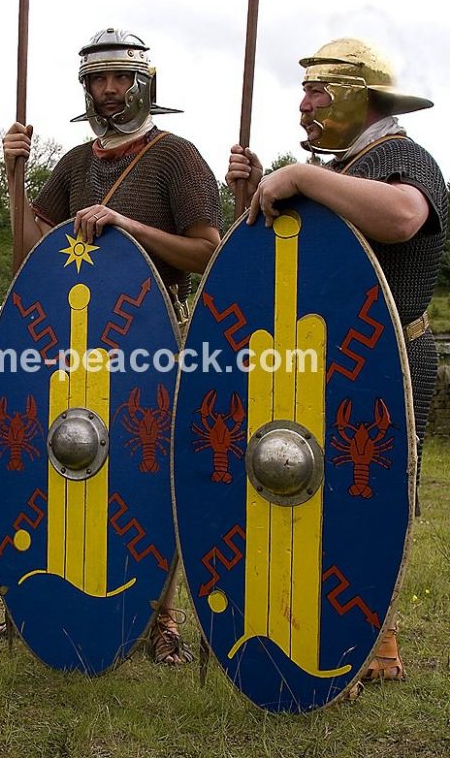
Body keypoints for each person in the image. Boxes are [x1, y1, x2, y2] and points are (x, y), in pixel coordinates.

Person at [0, 28, 223, 665]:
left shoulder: (176, 156)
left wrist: (128, 225)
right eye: (97, 80)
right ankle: (59, 599)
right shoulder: (73, 163)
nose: (109, 90)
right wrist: (14, 178)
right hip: (75, 341)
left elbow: (207, 251)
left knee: (152, 466)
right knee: (75, 455)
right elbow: (28, 255)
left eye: (120, 78)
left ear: (143, 82)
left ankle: (163, 616)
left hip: (152, 332)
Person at [226, 37, 448, 684]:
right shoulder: (349, 166)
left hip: (389, 360)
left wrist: (298, 176)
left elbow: (405, 218)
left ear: (359, 94)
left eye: (316, 92)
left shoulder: (404, 156)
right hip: (323, 363)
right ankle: (323, 626)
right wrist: (261, 186)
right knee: (317, 491)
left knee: (370, 493)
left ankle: (378, 643)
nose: (304, 106)